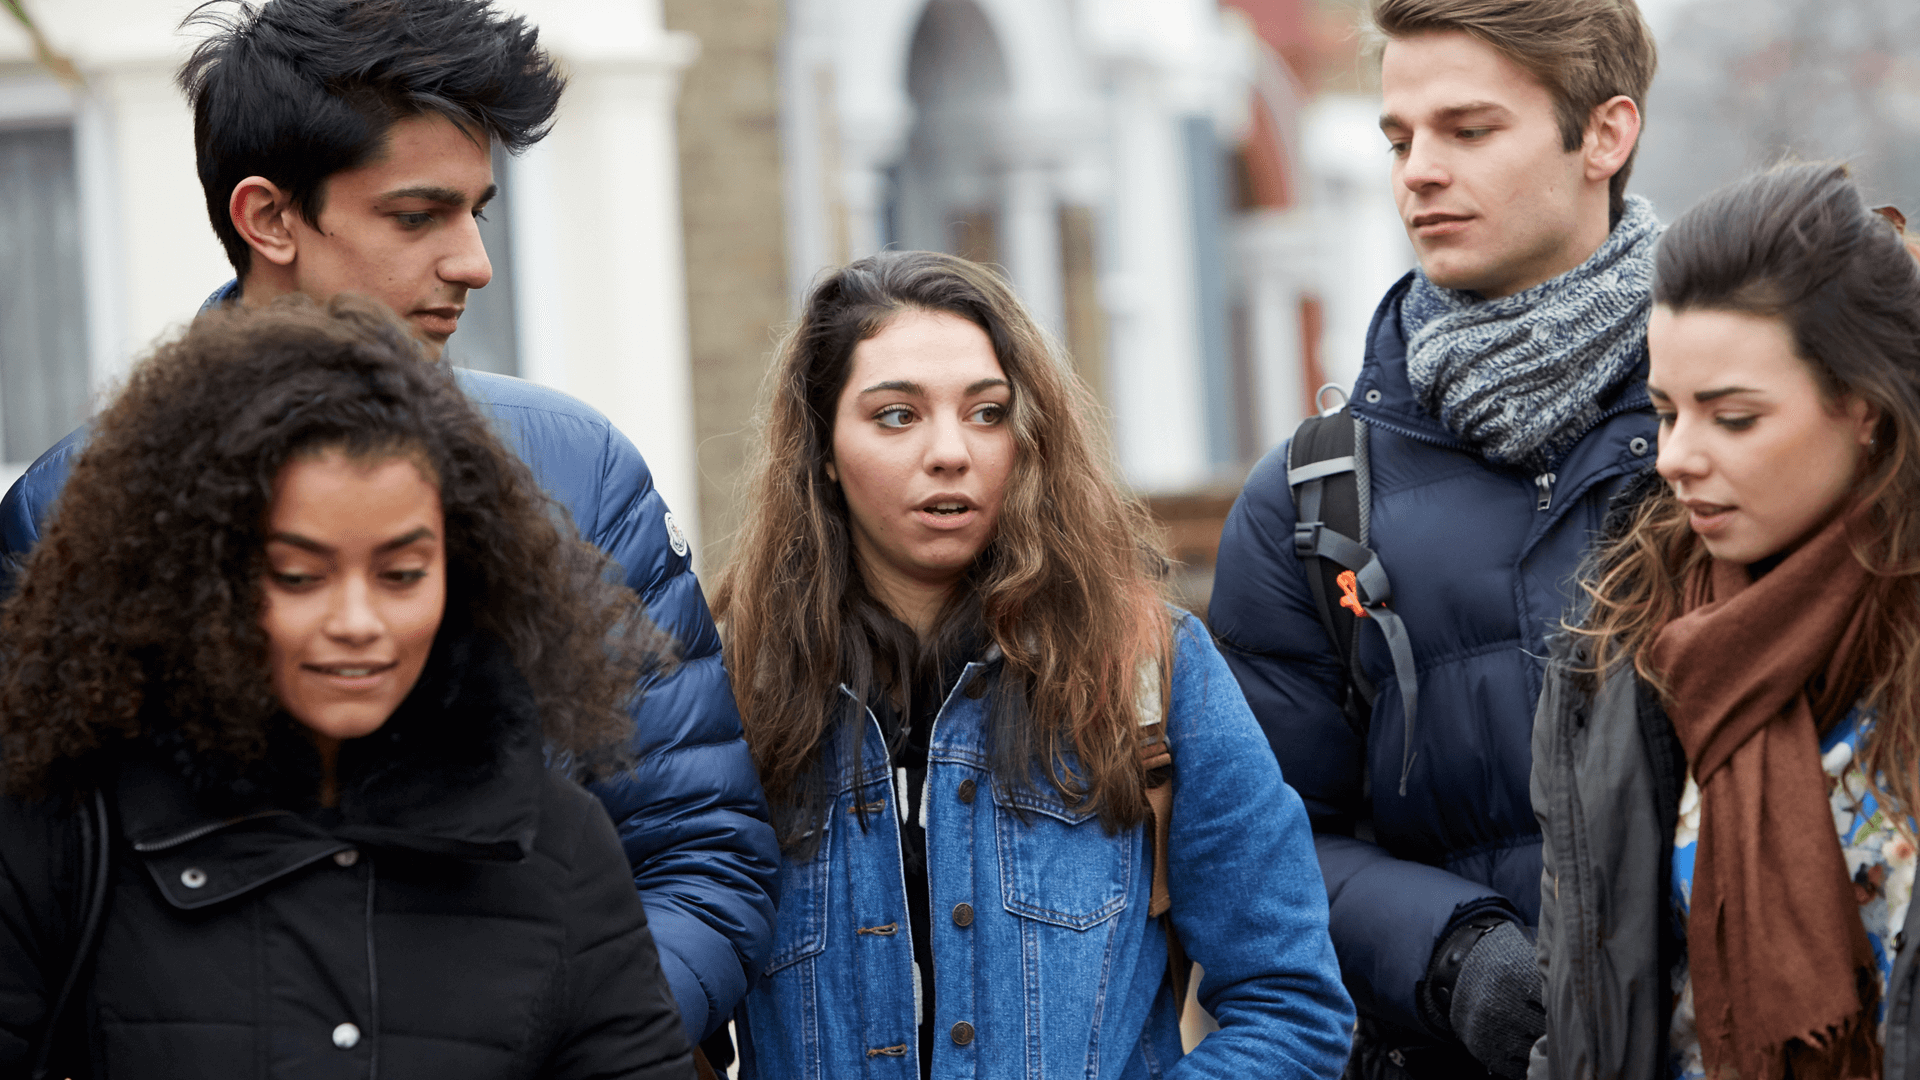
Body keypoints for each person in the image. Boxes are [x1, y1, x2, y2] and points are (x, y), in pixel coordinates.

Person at [0, 0, 777, 1045]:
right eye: (418, 217)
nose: (474, 263)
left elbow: (704, 850)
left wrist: (562, 1048)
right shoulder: (71, 510)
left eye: (478, 212)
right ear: (269, 218)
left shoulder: (578, 477)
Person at [0, 296, 694, 1078]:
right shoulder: (60, 823)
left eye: (402, 575)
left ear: (464, 572)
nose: (358, 622)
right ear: (199, 575)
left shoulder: (561, 847)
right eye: (299, 576)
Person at [712, 250, 1354, 1079]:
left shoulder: (1146, 668)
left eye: (988, 413)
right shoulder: (733, 692)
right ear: (823, 448)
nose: (950, 452)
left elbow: (1291, 1003)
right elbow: (658, 1018)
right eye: (897, 416)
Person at [1207, 0, 1660, 1075]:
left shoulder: (1738, 433)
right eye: (1400, 139)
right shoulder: (1310, 500)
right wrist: (1452, 954)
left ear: (1605, 134)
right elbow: (1264, 839)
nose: (1419, 172)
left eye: (1469, 130)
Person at [1534, 162, 1920, 1080]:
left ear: (1864, 410)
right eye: (1666, 413)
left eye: (1733, 418)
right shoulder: (1624, 643)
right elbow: (1581, 1011)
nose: (1676, 458)